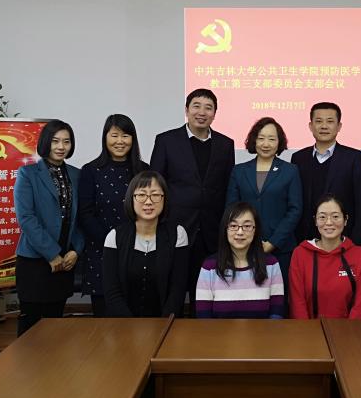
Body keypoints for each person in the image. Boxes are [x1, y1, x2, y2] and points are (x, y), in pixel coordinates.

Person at [150, 88, 235, 314]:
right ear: (186, 110)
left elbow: (227, 187)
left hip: (210, 230)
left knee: (205, 293)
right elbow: (155, 185)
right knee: (172, 292)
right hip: (174, 228)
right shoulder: (166, 141)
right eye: (196, 106)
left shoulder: (225, 144)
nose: (202, 112)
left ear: (215, 113)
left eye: (208, 108)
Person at [14, 119, 83, 336]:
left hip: (65, 261)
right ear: (46, 142)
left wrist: (76, 250)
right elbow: (26, 218)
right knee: (31, 325)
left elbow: (80, 218)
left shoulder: (77, 175)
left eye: (66, 141)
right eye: (55, 141)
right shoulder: (28, 173)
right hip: (35, 260)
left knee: (55, 323)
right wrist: (52, 254)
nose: (61, 146)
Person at [78, 114, 150, 316]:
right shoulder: (91, 170)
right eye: (114, 135)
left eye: (125, 136)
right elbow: (85, 214)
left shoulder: (144, 171)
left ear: (133, 139)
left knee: (139, 316)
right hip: (101, 252)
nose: (120, 141)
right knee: (105, 320)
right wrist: (112, 243)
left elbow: (152, 208)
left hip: (139, 251)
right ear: (105, 138)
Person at [225, 117, 302, 294]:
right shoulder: (239, 171)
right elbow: (231, 208)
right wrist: (245, 238)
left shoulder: (290, 171)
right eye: (261, 138)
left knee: (279, 297)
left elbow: (295, 209)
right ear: (254, 140)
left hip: (281, 249)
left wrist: (273, 242)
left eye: (271, 139)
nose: (266, 144)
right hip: (244, 246)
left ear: (279, 142)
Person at [101, 171, 189, 317]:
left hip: (166, 323)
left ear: (164, 198)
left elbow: (178, 290)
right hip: (122, 323)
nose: (148, 201)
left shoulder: (178, 234)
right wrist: (129, 325)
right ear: (131, 198)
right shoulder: (115, 236)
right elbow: (112, 292)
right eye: (141, 195)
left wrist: (163, 324)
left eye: (155, 195)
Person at [291, 102, 361, 245]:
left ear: (339, 126)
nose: (324, 126)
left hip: (343, 240)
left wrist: (356, 244)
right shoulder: (298, 158)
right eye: (318, 121)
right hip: (306, 240)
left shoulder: (354, 158)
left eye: (330, 121)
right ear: (310, 126)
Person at [195, 202, 284, 318]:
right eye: (233, 226)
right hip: (218, 331)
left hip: (263, 330)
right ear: (225, 229)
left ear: (255, 230)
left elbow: (276, 314)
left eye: (247, 226)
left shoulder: (271, 264)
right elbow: (204, 317)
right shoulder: (209, 267)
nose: (240, 232)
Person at [288, 194, 361, 319]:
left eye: (335, 216)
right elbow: (297, 303)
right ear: (315, 221)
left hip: (349, 329)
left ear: (345, 220)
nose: (329, 222)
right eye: (322, 217)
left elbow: (360, 305)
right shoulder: (300, 254)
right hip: (308, 329)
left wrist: (350, 330)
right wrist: (306, 330)